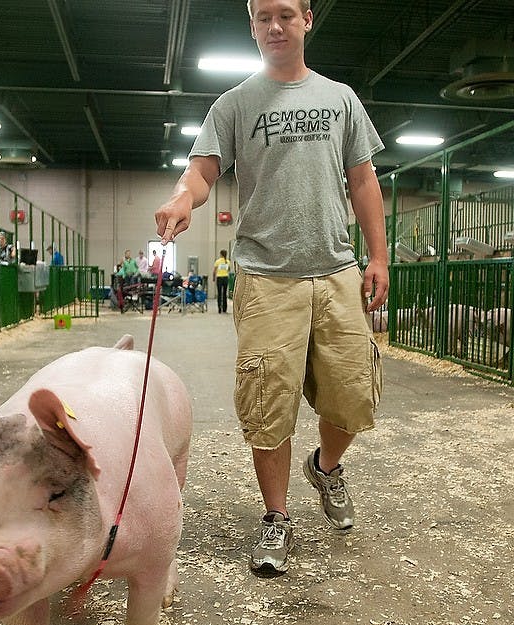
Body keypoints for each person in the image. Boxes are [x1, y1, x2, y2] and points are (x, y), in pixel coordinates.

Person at [153, 0, 388, 576]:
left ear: (308, 19)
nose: (274, 26)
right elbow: (203, 171)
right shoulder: (234, 104)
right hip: (265, 275)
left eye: (285, 14)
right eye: (263, 17)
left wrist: (378, 255)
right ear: (253, 26)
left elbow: (363, 180)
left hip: (335, 268)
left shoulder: (340, 98)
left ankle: (326, 467)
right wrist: (184, 197)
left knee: (353, 395)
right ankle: (276, 518)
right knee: (268, 403)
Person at [213, 249, 231, 313]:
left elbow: (214, 271)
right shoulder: (228, 261)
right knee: (224, 294)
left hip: (219, 278)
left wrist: (213, 278)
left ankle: (219, 308)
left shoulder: (217, 261)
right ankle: (224, 309)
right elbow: (228, 270)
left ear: (220, 254)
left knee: (219, 293)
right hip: (225, 278)